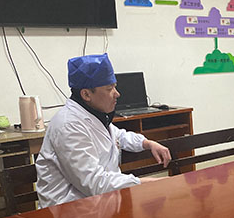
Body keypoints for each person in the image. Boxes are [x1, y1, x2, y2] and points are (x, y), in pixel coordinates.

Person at [36, 54, 171, 208]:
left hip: (99, 204)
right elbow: (94, 182)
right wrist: (142, 183)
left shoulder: (93, 114)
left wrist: (146, 143)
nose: (117, 93)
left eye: (115, 86)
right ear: (86, 94)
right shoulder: (68, 126)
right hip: (67, 210)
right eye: (109, 89)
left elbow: (118, 136)